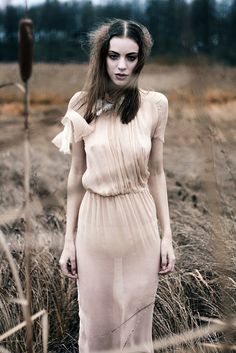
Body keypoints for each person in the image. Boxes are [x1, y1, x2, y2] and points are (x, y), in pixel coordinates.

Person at [51, 19, 175, 353]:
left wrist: (167, 236)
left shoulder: (156, 105)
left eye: (131, 57)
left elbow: (157, 173)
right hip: (95, 224)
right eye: (114, 55)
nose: (122, 66)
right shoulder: (81, 104)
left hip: (140, 224)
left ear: (141, 59)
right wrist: (68, 242)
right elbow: (76, 174)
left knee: (136, 330)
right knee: (97, 330)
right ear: (101, 57)